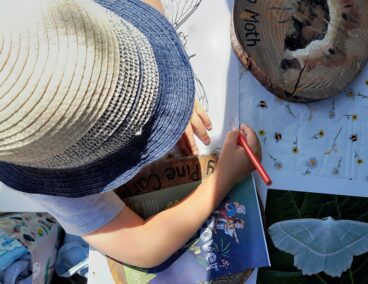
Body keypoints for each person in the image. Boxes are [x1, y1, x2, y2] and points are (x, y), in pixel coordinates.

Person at [0, 0, 261, 268]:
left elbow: (148, 5)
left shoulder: (28, 21)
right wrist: (223, 177)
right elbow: (142, 248)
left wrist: (168, 89)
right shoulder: (48, 178)